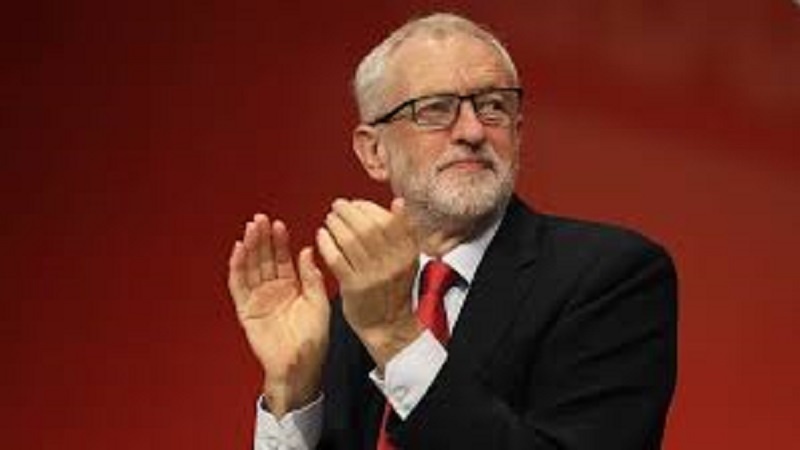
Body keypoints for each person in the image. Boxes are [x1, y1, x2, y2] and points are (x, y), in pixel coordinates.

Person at [227, 12, 677, 450]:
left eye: (493, 106)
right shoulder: (350, 315)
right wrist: (292, 389)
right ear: (374, 152)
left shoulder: (611, 276)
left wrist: (397, 339)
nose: (472, 130)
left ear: (518, 133)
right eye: (435, 109)